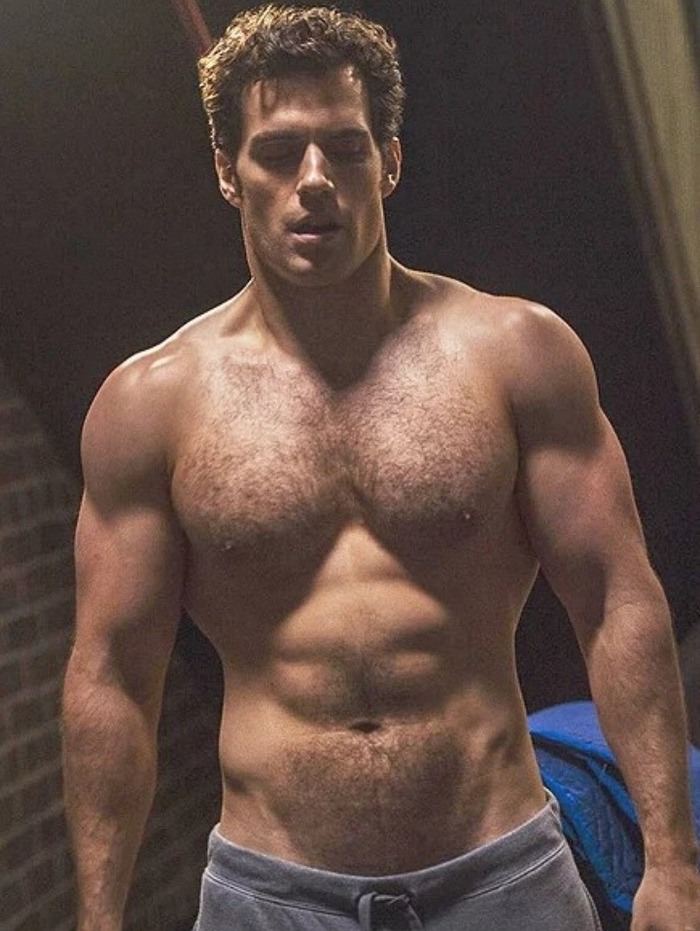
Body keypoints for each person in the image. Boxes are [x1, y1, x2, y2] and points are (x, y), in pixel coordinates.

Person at [61, 5, 699, 930]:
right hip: (274, 893)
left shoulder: (515, 353)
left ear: (389, 161)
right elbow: (116, 676)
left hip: (504, 876)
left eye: (346, 147)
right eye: (278, 153)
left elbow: (616, 601)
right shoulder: (150, 405)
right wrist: (98, 918)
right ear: (228, 172)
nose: (314, 180)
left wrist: (673, 865)